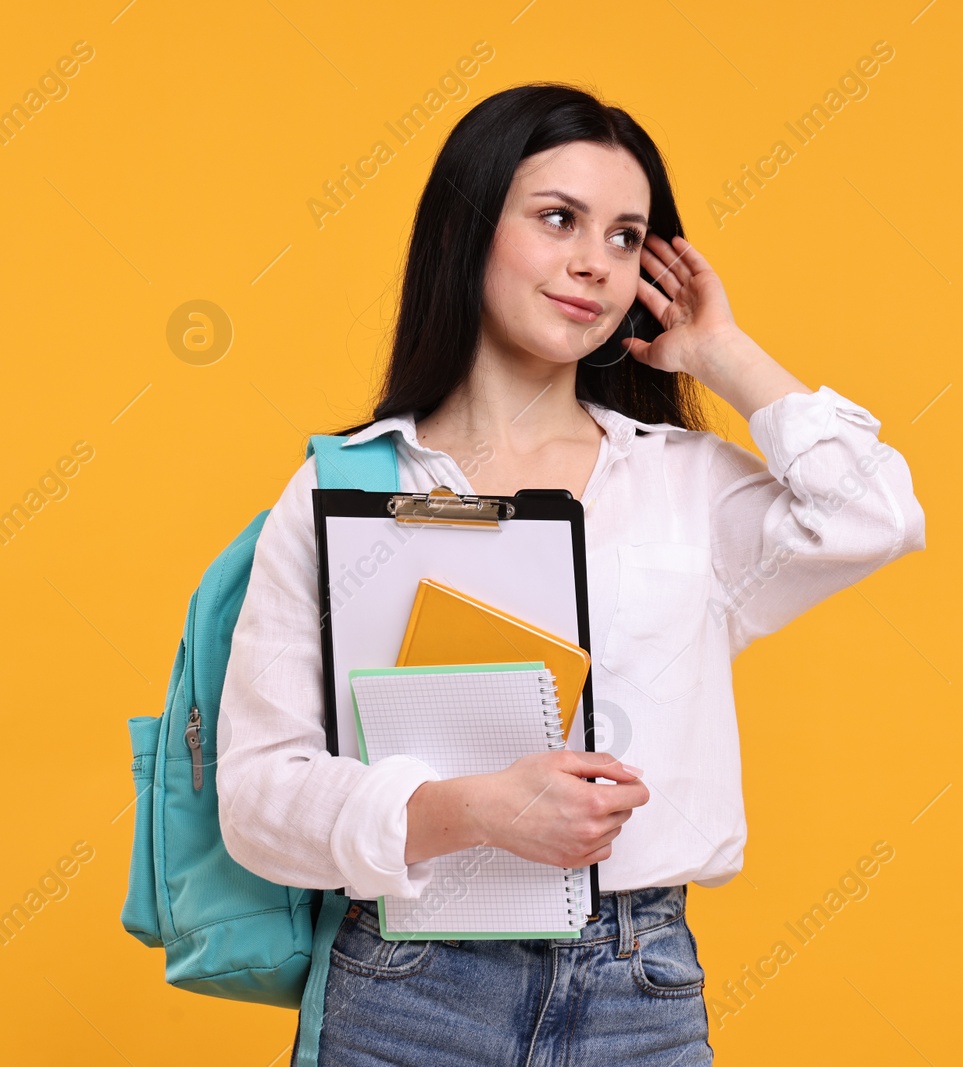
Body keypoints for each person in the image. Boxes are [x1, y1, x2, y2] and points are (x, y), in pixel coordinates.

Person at [216, 81, 927, 1065]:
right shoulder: (346, 488)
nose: (594, 261)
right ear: (468, 231)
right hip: (409, 990)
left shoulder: (681, 483)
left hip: (639, 988)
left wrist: (722, 352)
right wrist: (465, 808)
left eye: (627, 237)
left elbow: (876, 511)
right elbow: (259, 794)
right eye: (558, 219)